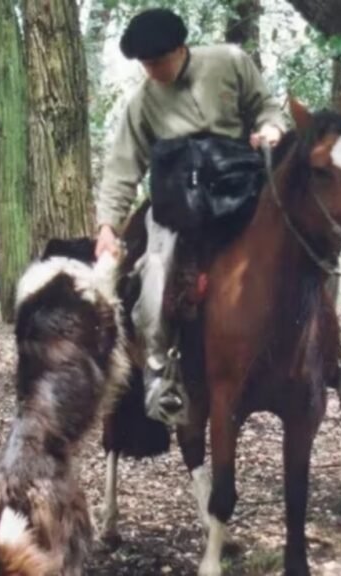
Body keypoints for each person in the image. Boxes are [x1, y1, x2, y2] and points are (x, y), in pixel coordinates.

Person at [93, 8, 287, 424]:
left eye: (158, 62)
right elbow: (122, 168)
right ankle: (161, 374)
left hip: (238, 188)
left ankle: (325, 353)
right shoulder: (142, 103)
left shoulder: (229, 62)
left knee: (295, 239)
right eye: (145, 65)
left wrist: (270, 129)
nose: (152, 72)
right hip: (175, 204)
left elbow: (266, 107)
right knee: (154, 274)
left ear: (182, 49)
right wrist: (108, 225)